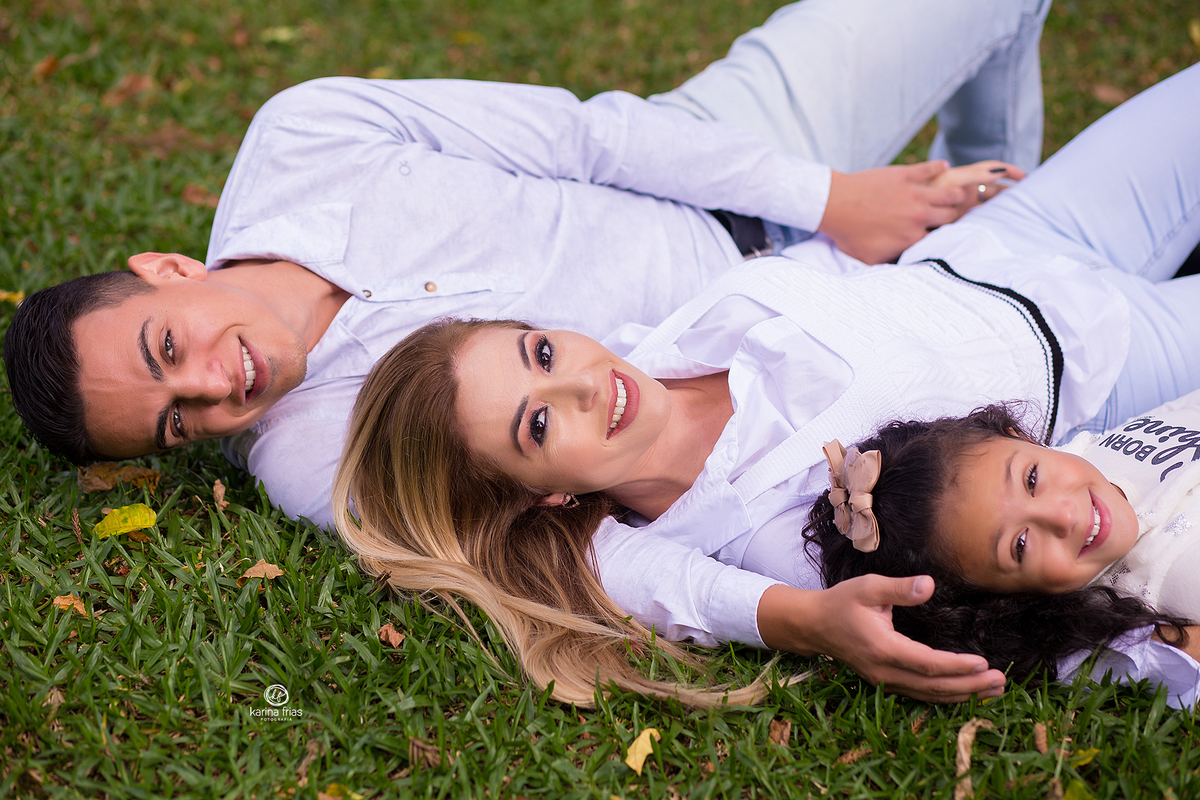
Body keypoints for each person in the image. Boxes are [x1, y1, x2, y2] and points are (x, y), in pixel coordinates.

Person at [2, 0, 1053, 702]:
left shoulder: (303, 136)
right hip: (798, 371)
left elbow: (589, 137)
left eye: (166, 347)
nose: (209, 386)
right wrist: (785, 615)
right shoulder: (308, 456)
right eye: (177, 420)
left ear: (168, 268)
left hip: (724, 159)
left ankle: (993, 179)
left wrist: (834, 198)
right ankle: (1009, 220)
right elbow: (552, 547)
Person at [331, 64, 1200, 706]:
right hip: (1113, 359)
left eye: (543, 356)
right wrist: (800, 622)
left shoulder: (657, 340)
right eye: (537, 426)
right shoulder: (741, 535)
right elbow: (687, 591)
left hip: (1004, 242)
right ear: (550, 493)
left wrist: (920, 213)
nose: (586, 389)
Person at [806, 390, 1200, 707]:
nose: (1063, 516)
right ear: (1008, 603)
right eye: (1021, 545)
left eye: (1032, 479)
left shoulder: (1090, 451)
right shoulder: (1114, 621)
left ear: (1019, 435)